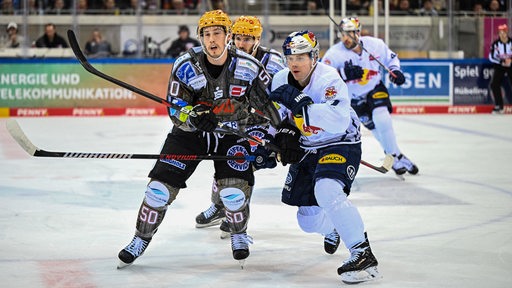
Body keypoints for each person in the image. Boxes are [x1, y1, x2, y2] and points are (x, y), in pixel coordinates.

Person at [117, 9, 282, 269]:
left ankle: (238, 234)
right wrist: (192, 116)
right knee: (158, 191)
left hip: (231, 134)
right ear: (200, 37)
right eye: (206, 34)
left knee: (233, 193)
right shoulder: (185, 64)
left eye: (217, 33)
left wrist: (277, 139)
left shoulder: (250, 67)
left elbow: (268, 111)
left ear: (229, 36)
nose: (211, 40)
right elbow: (174, 108)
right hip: (189, 135)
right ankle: (140, 238)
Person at [268, 30, 380, 284]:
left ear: (314, 57)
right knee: (307, 219)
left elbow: (338, 120)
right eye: (290, 57)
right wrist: (276, 138)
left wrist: (301, 104)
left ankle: (362, 253)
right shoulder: (279, 80)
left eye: (301, 56)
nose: (294, 63)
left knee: (327, 189)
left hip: (340, 141)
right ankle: (332, 228)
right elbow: (276, 118)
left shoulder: (329, 78)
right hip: (308, 147)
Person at [194, 15, 287, 238]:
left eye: (247, 39)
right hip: (235, 121)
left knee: (241, 162)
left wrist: (280, 133)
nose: (240, 43)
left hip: (261, 124)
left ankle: (233, 212)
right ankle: (219, 206)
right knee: (223, 162)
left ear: (257, 39)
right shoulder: (229, 57)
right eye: (237, 37)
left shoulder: (273, 61)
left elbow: (280, 100)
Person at [322, 17, 419, 176]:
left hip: (374, 88)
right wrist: (343, 74)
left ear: (358, 32)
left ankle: (393, 157)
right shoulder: (334, 54)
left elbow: (391, 59)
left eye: (349, 34)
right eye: (342, 34)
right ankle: (397, 154)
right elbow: (323, 78)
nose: (345, 38)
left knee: (382, 118)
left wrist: (396, 71)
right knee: (375, 128)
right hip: (352, 99)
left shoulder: (376, 45)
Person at [488, 24, 512, 114]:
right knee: (494, 84)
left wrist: (510, 61)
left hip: (511, 66)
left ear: (507, 32)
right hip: (500, 66)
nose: (502, 34)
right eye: (500, 32)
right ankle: (499, 106)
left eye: (504, 32)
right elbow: (491, 57)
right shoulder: (495, 44)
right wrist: (501, 61)